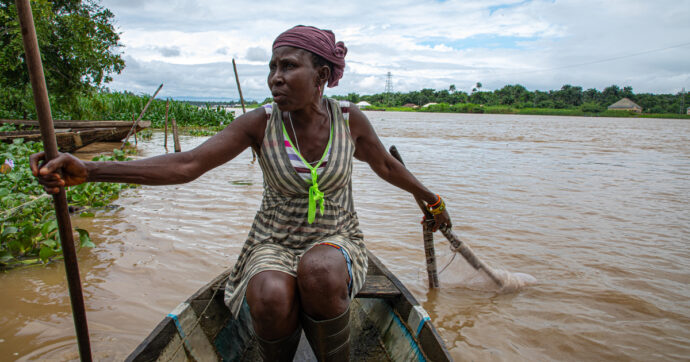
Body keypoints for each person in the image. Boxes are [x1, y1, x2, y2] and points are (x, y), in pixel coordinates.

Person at [30, 25, 451, 361]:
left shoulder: (349, 120)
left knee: (320, 271)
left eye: (288, 67)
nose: (275, 79)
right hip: (272, 243)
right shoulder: (260, 124)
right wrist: (92, 170)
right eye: (271, 68)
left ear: (321, 76)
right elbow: (186, 164)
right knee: (268, 293)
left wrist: (431, 200)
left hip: (338, 239)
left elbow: (386, 165)